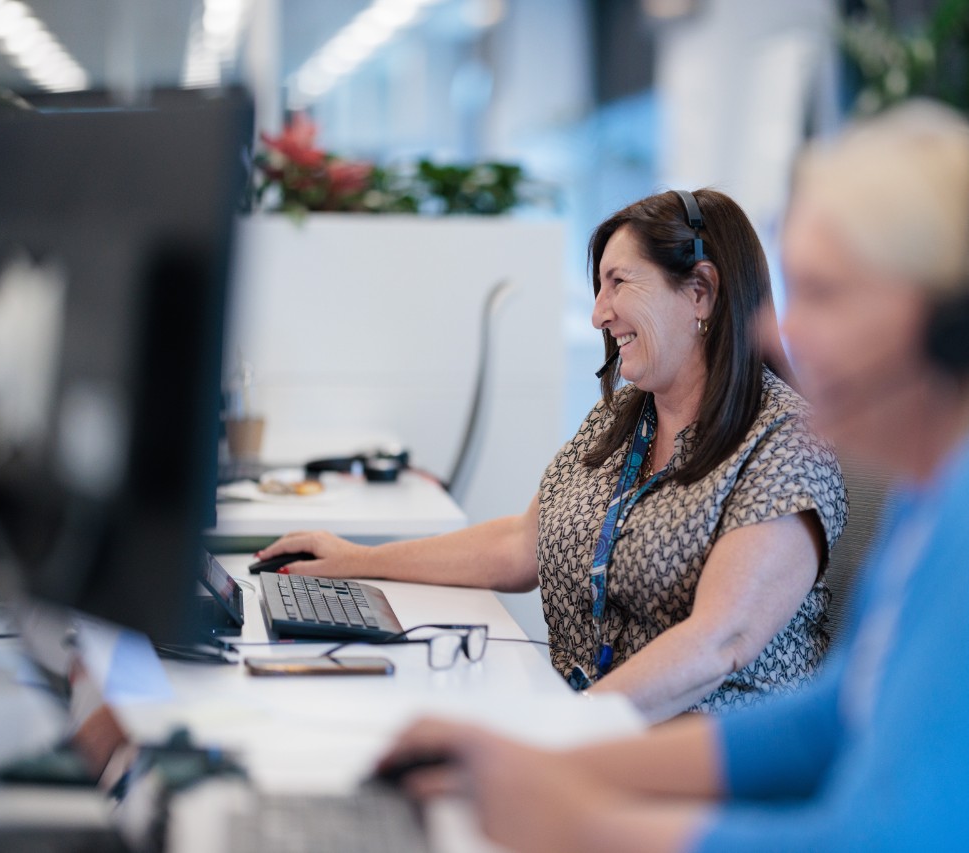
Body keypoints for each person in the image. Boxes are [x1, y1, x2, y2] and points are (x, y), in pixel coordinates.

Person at [374, 101, 969, 851]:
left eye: (827, 295)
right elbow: (834, 721)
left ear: (959, 320)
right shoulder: (960, 473)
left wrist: (586, 821)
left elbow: (896, 838)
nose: (775, 336)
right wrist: (556, 752)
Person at [257, 188, 847, 721]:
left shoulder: (785, 444)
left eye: (619, 282)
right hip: (593, 731)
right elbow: (522, 542)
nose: (598, 313)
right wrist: (354, 560)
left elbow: (721, 642)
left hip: (707, 768)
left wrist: (562, 728)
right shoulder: (623, 418)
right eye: (598, 288)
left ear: (700, 292)